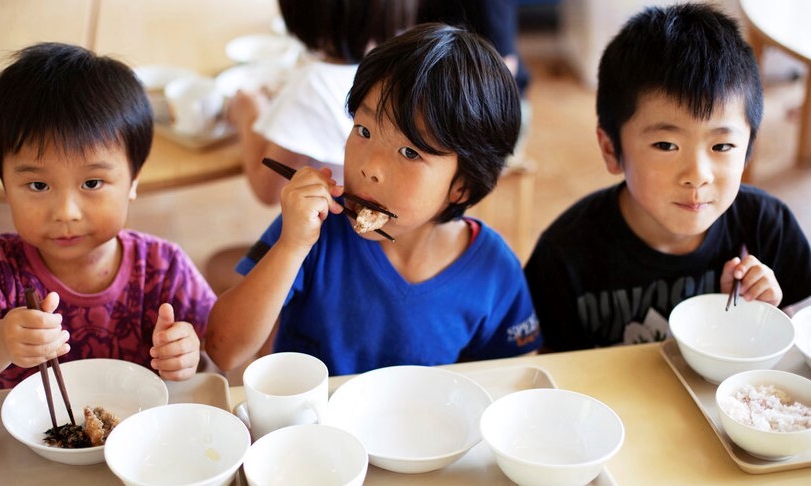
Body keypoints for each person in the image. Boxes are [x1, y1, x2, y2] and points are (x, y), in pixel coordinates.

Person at [205, 23, 541, 375]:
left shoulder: (493, 273)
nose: (371, 168)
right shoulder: (313, 233)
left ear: (462, 187)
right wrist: (291, 246)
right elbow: (223, 349)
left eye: (410, 152)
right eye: (363, 130)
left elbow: (509, 381)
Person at [523, 3, 811, 352]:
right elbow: (550, 373)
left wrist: (769, 317)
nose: (697, 176)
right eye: (666, 144)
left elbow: (798, 347)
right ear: (612, 149)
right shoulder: (565, 255)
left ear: (749, 145)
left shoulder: (768, 229)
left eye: (722, 146)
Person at [0, 43, 217, 390]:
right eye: (38, 185)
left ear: (133, 179)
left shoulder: (164, 266)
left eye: (92, 182)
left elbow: (212, 354)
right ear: (5, 183)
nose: (66, 212)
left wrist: (187, 355)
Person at [229, 0, 418, 206]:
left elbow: (267, 190)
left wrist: (247, 109)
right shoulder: (410, 63)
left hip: (333, 222)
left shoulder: (314, 87)